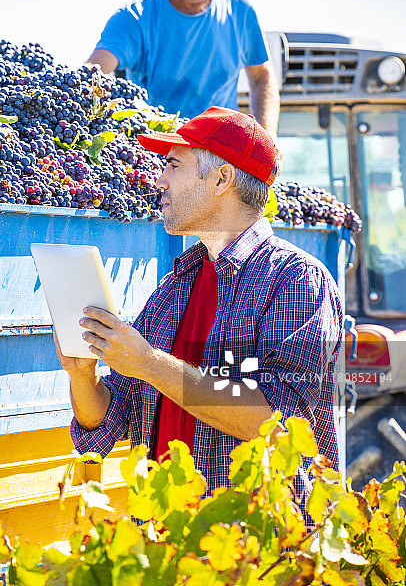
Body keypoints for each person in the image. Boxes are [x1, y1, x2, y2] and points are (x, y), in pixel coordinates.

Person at [56, 107, 342, 499]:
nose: (160, 180)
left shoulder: (294, 279)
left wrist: (150, 364)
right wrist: (81, 376)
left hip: (255, 552)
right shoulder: (176, 285)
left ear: (222, 178)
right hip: (164, 547)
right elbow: (104, 425)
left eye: (173, 165)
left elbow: (280, 422)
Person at [86, 0, 280, 139]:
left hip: (219, 154)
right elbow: (94, 71)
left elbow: (261, 76)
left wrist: (267, 142)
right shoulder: (134, 18)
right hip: (156, 151)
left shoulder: (240, 11)